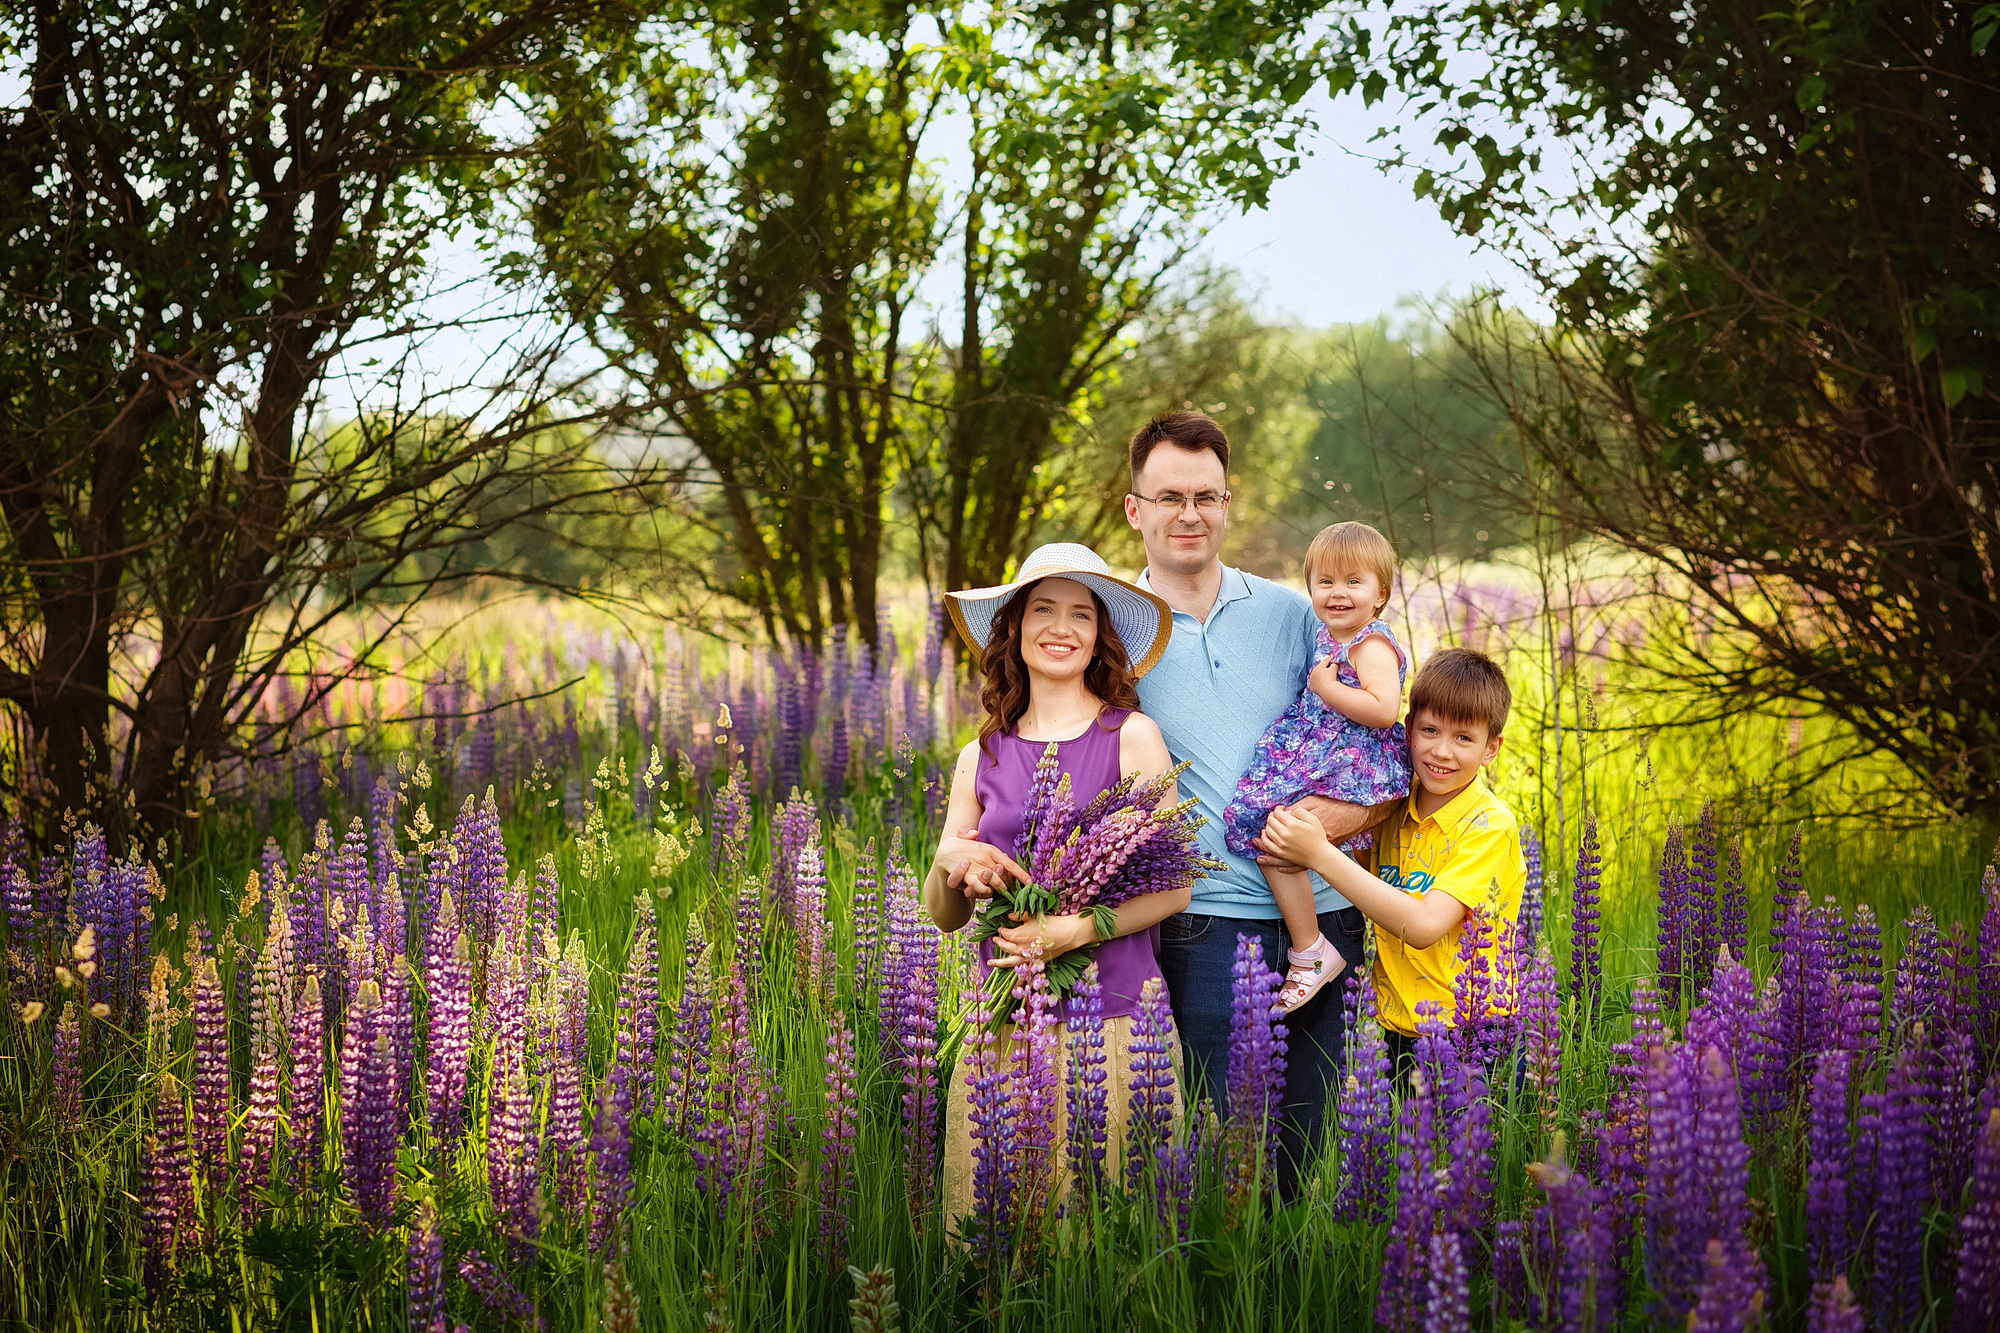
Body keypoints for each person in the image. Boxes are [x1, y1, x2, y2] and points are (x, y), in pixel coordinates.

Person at [1122, 409, 1396, 1198]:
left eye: (1206, 495)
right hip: (1204, 926)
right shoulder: (1114, 629)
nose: (1189, 513)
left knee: (1310, 1160)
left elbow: (1382, 750)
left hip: (1332, 912)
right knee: (1222, 1155)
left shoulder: (1298, 613)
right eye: (1169, 496)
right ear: (1135, 507)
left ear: (1227, 502)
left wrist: (1336, 825)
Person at [922, 541, 1187, 1224]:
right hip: (1006, 1026)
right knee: (1005, 1234)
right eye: (1043, 608)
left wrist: (1072, 928)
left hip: (1117, 1022)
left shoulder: (1133, 735)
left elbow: (1175, 887)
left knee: (1112, 1234)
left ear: (1099, 636)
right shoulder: (981, 752)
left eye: (1080, 614)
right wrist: (952, 859)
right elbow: (944, 914)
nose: (1061, 628)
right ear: (1014, 628)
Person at [1258, 648, 1528, 1071]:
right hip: (1396, 1026)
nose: (1441, 751)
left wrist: (1319, 854)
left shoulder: (1489, 825)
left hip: (1472, 1030)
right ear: (1407, 731)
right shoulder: (1393, 811)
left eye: (1463, 738)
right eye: (1430, 730)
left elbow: (1422, 927)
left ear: (1491, 749)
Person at [1222, 521, 1412, 1012]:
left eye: (1354, 581)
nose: (1338, 593)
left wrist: (1326, 690)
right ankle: (1310, 949)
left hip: (1355, 761)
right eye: (1325, 582)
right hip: (1328, 753)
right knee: (1271, 838)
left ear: (1381, 593)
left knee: (1278, 838)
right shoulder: (1330, 638)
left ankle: (1311, 951)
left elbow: (1385, 709)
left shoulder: (1370, 643)